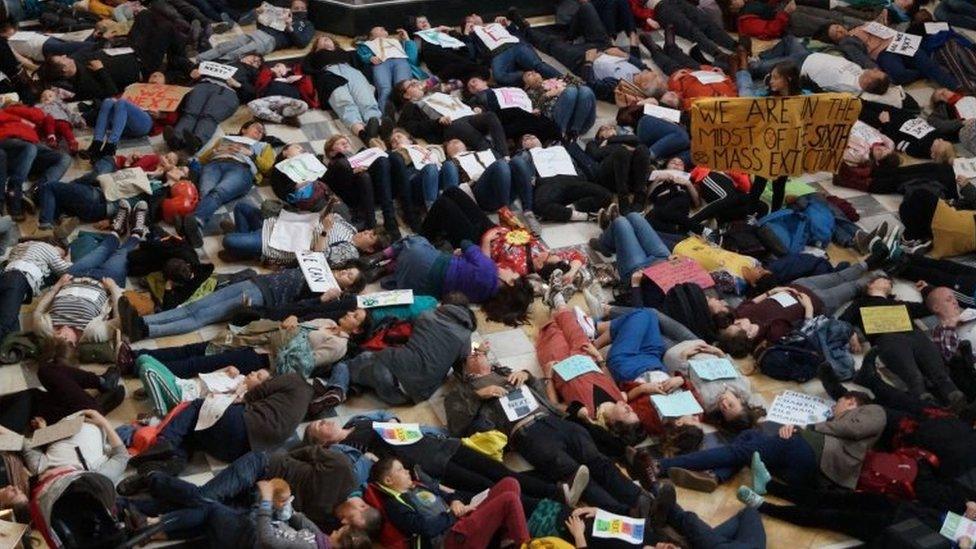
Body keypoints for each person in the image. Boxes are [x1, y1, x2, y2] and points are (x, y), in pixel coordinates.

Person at [652, 392, 885, 491]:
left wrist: (807, 427)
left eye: (838, 404)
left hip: (816, 456)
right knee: (748, 437)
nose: (834, 408)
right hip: (804, 459)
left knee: (740, 451)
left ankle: (659, 466)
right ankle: (715, 476)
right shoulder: (840, 422)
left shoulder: (875, 410)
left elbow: (854, 429)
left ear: (853, 402)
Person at [131, 371, 312, 469]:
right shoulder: (300, 407)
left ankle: (165, 441)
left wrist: (240, 398)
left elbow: (260, 392)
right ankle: (168, 466)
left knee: (197, 405)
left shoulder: (293, 378)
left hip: (244, 424)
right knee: (192, 431)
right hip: (238, 453)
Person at [839, 272, 966, 408]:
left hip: (914, 335)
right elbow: (841, 322)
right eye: (883, 279)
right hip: (887, 338)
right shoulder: (860, 303)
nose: (888, 281)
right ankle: (926, 404)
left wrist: (926, 289)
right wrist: (852, 335)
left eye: (890, 282)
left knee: (940, 373)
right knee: (914, 377)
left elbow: (929, 307)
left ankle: (957, 399)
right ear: (870, 284)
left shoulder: (899, 304)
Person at [33, 201, 149, 347]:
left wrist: (57, 286)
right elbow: (120, 321)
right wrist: (113, 289)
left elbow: (37, 314)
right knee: (122, 254)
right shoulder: (94, 333)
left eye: (57, 334)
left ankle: (117, 230)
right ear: (73, 344)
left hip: (74, 276)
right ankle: (137, 232)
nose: (61, 330)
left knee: (102, 249)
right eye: (64, 336)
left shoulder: (45, 330)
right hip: (105, 282)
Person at [370, 457, 531, 549]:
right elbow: (424, 528)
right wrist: (453, 514)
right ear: (388, 480)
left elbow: (452, 494)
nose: (406, 471)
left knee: (510, 483)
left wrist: (455, 502)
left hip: (463, 520)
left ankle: (507, 542)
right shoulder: (393, 505)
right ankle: (527, 545)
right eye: (400, 470)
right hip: (451, 538)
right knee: (509, 499)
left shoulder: (418, 486)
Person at [176, 120, 275, 248]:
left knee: (218, 192)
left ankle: (194, 223)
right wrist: (216, 150)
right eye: (256, 127)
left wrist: (252, 154)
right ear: (243, 129)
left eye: (262, 132)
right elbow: (202, 160)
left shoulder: (263, 145)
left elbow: (268, 169)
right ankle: (192, 232)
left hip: (241, 169)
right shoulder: (225, 138)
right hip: (214, 164)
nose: (259, 131)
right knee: (205, 194)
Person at [302, 35, 387, 140]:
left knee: (366, 99)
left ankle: (378, 126)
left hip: (351, 71)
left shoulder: (343, 52)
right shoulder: (313, 56)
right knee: (344, 103)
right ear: (316, 47)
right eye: (322, 40)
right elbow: (305, 69)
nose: (326, 39)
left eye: (328, 39)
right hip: (329, 74)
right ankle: (362, 133)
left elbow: (359, 58)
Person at [0, 241, 71, 342]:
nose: (60, 257)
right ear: (56, 246)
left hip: (7, 277)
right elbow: (67, 270)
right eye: (61, 255)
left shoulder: (20, 246)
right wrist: (68, 259)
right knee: (6, 323)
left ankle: (12, 353)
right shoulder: (48, 248)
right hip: (18, 279)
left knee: (12, 328)